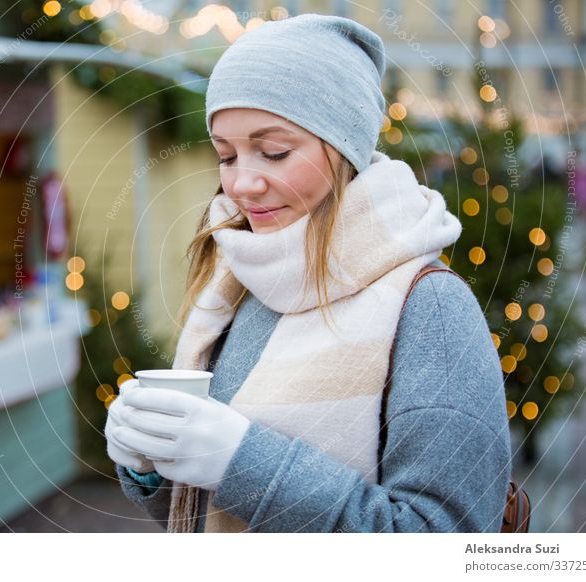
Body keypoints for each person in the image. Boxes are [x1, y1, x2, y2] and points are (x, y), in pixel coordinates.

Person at [104, 13, 511, 533]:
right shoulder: (237, 283)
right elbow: (207, 512)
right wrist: (150, 460)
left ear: (342, 147)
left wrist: (239, 461)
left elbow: (443, 536)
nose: (242, 184)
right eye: (225, 155)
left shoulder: (428, 307)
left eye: (273, 152)